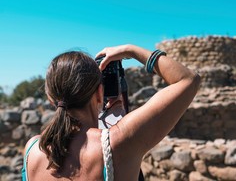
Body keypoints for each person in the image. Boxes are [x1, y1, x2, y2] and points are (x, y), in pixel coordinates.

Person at [22, 44, 201, 181]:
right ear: (100, 92)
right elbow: (188, 80)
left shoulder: (32, 150)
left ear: (50, 97)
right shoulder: (119, 142)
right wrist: (130, 50)